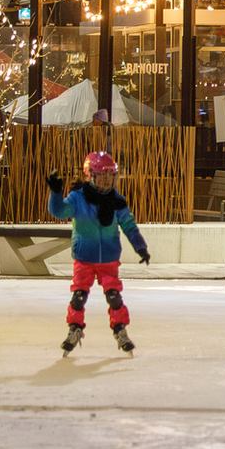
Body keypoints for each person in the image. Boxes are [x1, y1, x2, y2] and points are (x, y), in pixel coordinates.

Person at [46, 151, 151, 354]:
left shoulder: (116, 201)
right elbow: (59, 211)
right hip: (84, 258)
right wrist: (56, 194)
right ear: (90, 176)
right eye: (102, 175)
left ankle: (120, 329)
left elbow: (129, 225)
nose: (106, 180)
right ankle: (74, 328)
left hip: (108, 259)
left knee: (114, 296)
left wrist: (141, 247)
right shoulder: (78, 198)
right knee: (79, 296)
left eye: (110, 176)